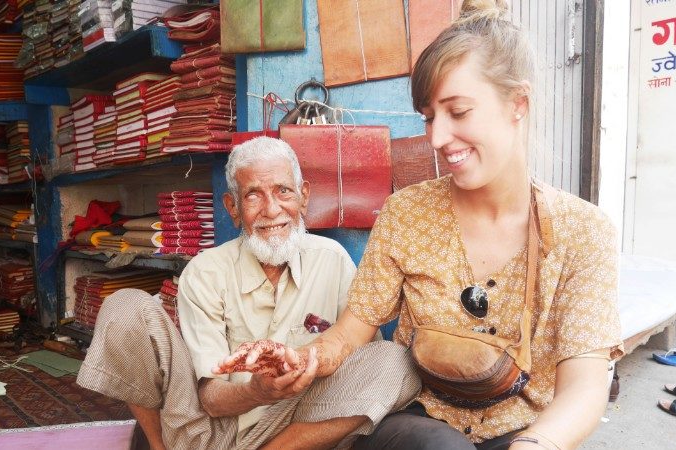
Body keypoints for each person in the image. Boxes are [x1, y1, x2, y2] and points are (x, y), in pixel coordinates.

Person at [216, 1, 623, 449]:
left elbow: (585, 384)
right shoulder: (405, 213)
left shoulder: (582, 231)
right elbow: (353, 332)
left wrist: (535, 444)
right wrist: (304, 358)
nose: (437, 138)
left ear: (518, 104)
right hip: (417, 425)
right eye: (429, 117)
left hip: (523, 430)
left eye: (459, 112)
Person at [76, 136, 420, 450]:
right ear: (233, 208)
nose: (271, 210)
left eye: (284, 191)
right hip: (208, 431)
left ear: (304, 196)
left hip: (295, 426)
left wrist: (303, 367)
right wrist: (258, 390)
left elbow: (359, 361)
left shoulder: (333, 261)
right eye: (253, 195)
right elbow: (210, 398)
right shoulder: (205, 271)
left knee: (395, 359)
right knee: (125, 307)